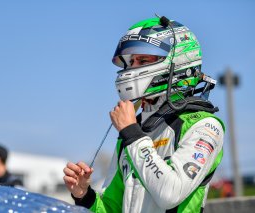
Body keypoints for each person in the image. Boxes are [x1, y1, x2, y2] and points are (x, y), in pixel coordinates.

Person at [63, 16, 225, 212]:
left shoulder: (205, 126)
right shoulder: (133, 130)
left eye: (142, 60)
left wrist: (131, 133)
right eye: (130, 63)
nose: (131, 69)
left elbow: (170, 194)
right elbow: (111, 208)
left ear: (177, 61)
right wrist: (84, 196)